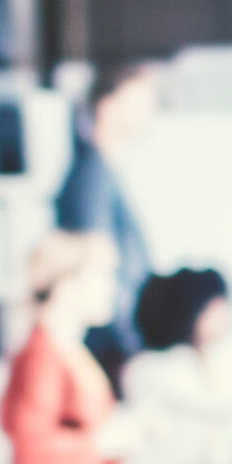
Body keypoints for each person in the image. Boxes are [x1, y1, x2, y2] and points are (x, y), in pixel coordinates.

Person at [0, 231, 148, 464]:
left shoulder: (67, 347)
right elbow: (29, 448)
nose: (111, 288)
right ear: (67, 284)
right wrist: (101, 443)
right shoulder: (42, 354)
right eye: (102, 276)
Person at [54, 60, 162, 378]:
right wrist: (126, 344)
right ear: (107, 106)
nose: (149, 112)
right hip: (112, 350)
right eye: (139, 102)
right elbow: (92, 262)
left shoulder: (103, 172)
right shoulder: (92, 174)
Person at [120, 266, 232, 464]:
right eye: (217, 308)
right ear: (192, 312)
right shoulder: (155, 367)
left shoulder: (199, 359)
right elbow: (221, 406)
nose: (226, 317)